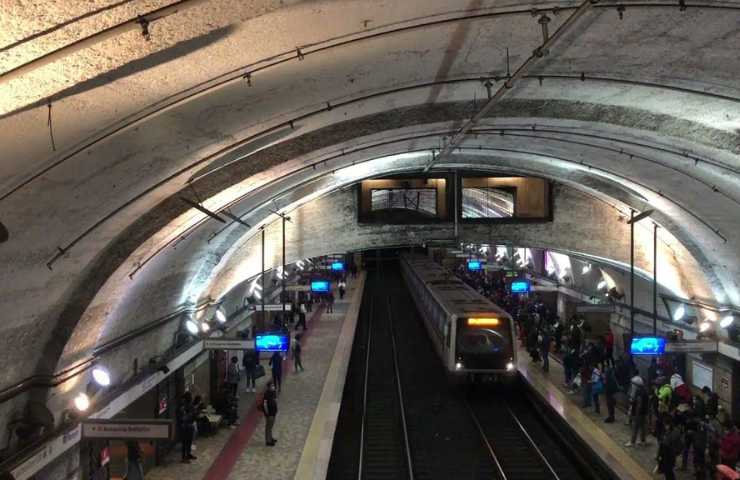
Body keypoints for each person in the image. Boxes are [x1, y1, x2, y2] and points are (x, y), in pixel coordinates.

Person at [625, 375, 648, 447]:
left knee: (635, 427)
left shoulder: (639, 393)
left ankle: (632, 442)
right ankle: (643, 441)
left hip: (638, 413)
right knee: (643, 427)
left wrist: (635, 414)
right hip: (644, 412)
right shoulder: (644, 391)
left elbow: (639, 405)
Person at [177, 392, 196, 463]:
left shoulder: (190, 405)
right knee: (185, 443)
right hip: (184, 427)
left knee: (190, 441)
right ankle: (184, 457)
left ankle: (188, 454)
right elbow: (182, 417)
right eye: (190, 397)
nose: (191, 398)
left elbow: (193, 414)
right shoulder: (182, 406)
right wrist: (189, 416)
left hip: (190, 425)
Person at [263, 381, 278, 446]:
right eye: (272, 386)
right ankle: (268, 441)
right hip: (269, 413)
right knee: (268, 427)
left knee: (271, 426)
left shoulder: (273, 392)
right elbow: (265, 404)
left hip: (273, 411)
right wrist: (267, 412)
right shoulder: (266, 393)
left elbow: (275, 400)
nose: (273, 387)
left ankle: (270, 438)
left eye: (273, 386)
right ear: (269, 387)